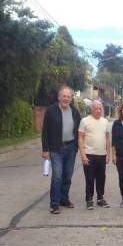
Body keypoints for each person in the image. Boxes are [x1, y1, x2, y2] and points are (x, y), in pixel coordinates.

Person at [41, 86, 81, 214]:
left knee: (67, 176)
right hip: (55, 148)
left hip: (71, 147)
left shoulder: (74, 111)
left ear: (71, 98)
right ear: (59, 97)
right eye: (63, 96)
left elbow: (80, 130)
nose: (66, 98)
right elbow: (45, 131)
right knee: (57, 176)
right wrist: (45, 149)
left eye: (68, 96)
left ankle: (64, 199)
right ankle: (54, 204)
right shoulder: (51, 110)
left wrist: (80, 146)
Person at [78, 100, 111, 210]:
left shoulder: (105, 121)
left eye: (100, 108)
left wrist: (108, 154)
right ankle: (89, 199)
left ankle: (100, 198)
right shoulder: (84, 121)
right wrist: (83, 155)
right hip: (89, 154)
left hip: (102, 154)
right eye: (96, 108)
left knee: (101, 177)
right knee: (90, 178)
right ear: (91, 109)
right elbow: (81, 138)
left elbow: (107, 138)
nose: (98, 110)